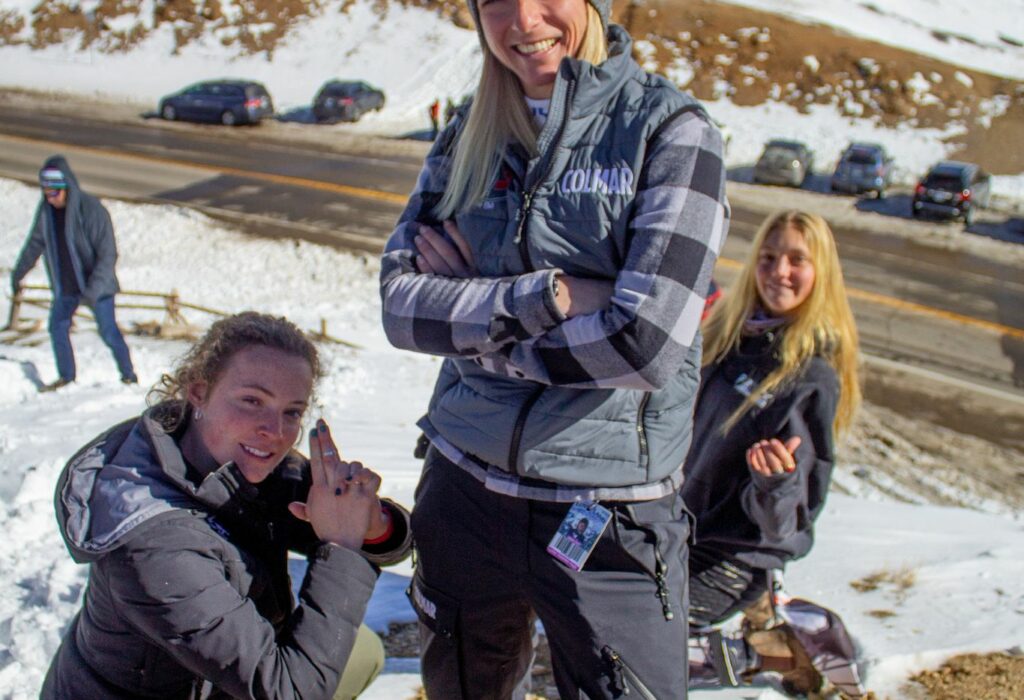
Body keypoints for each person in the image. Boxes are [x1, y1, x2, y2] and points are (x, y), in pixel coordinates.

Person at [379, 0, 729, 695]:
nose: (522, 19)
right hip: (464, 485)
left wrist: (473, 319)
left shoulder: (671, 132)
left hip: (608, 508)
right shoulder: (468, 133)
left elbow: (643, 345)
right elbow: (401, 308)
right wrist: (553, 295)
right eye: (495, 1)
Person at [41, 312, 412, 700]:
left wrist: (371, 522)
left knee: (362, 651)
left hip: (221, 684)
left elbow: (390, 541)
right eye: (252, 401)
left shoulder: (243, 463)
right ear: (198, 392)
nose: (275, 431)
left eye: (292, 411)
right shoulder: (154, 544)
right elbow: (287, 692)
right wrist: (342, 546)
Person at [681, 211, 861, 694]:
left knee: (631, 634)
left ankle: (773, 653)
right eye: (768, 257)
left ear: (821, 272)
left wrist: (774, 482)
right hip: (683, 528)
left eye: (797, 260)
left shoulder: (810, 376)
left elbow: (786, 523)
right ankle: (763, 622)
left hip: (735, 555)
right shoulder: (731, 337)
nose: (779, 271)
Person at [11, 155, 137, 391]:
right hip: (67, 285)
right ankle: (67, 378)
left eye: (54, 192)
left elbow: (107, 254)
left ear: (66, 186)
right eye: (46, 193)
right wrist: (18, 273)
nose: (51, 198)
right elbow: (34, 244)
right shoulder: (46, 213)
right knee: (57, 327)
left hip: (97, 287)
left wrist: (93, 290)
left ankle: (129, 376)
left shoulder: (91, 210)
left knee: (108, 332)